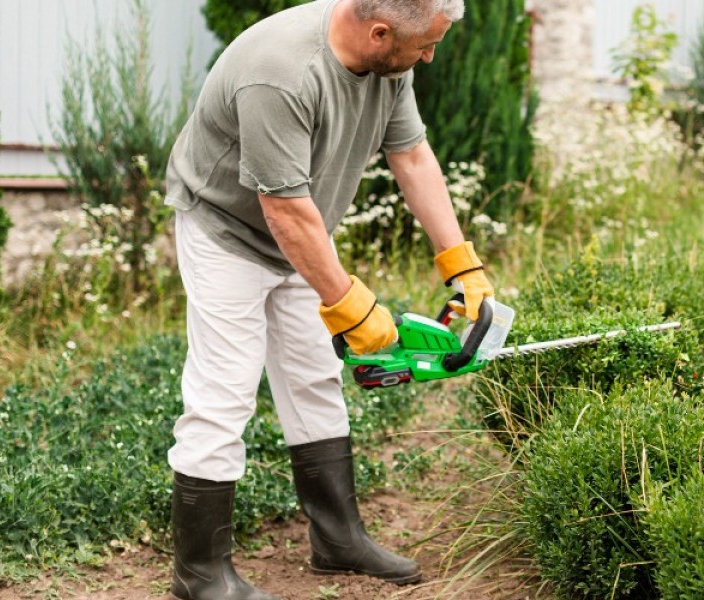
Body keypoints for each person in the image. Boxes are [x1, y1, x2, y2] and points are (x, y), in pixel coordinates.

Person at [161, 0, 493, 598]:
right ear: (379, 32)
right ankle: (200, 574)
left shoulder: (391, 63)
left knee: (314, 377)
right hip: (228, 232)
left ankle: (337, 540)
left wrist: (459, 261)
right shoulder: (281, 72)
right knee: (224, 392)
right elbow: (282, 211)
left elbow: (412, 156)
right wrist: (350, 306)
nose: (431, 56)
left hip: (302, 228)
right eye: (425, 46)